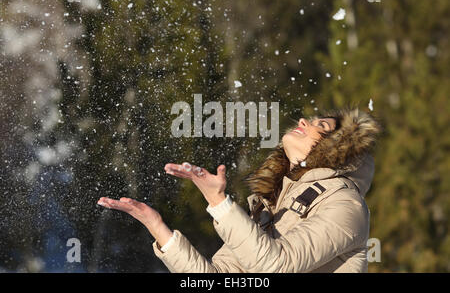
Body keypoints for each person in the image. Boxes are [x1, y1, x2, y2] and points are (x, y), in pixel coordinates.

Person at [98, 107, 382, 272]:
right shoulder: (270, 202)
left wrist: (219, 203)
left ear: (341, 149)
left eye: (320, 125)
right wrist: (158, 227)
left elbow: (276, 266)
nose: (303, 122)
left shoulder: (346, 205)